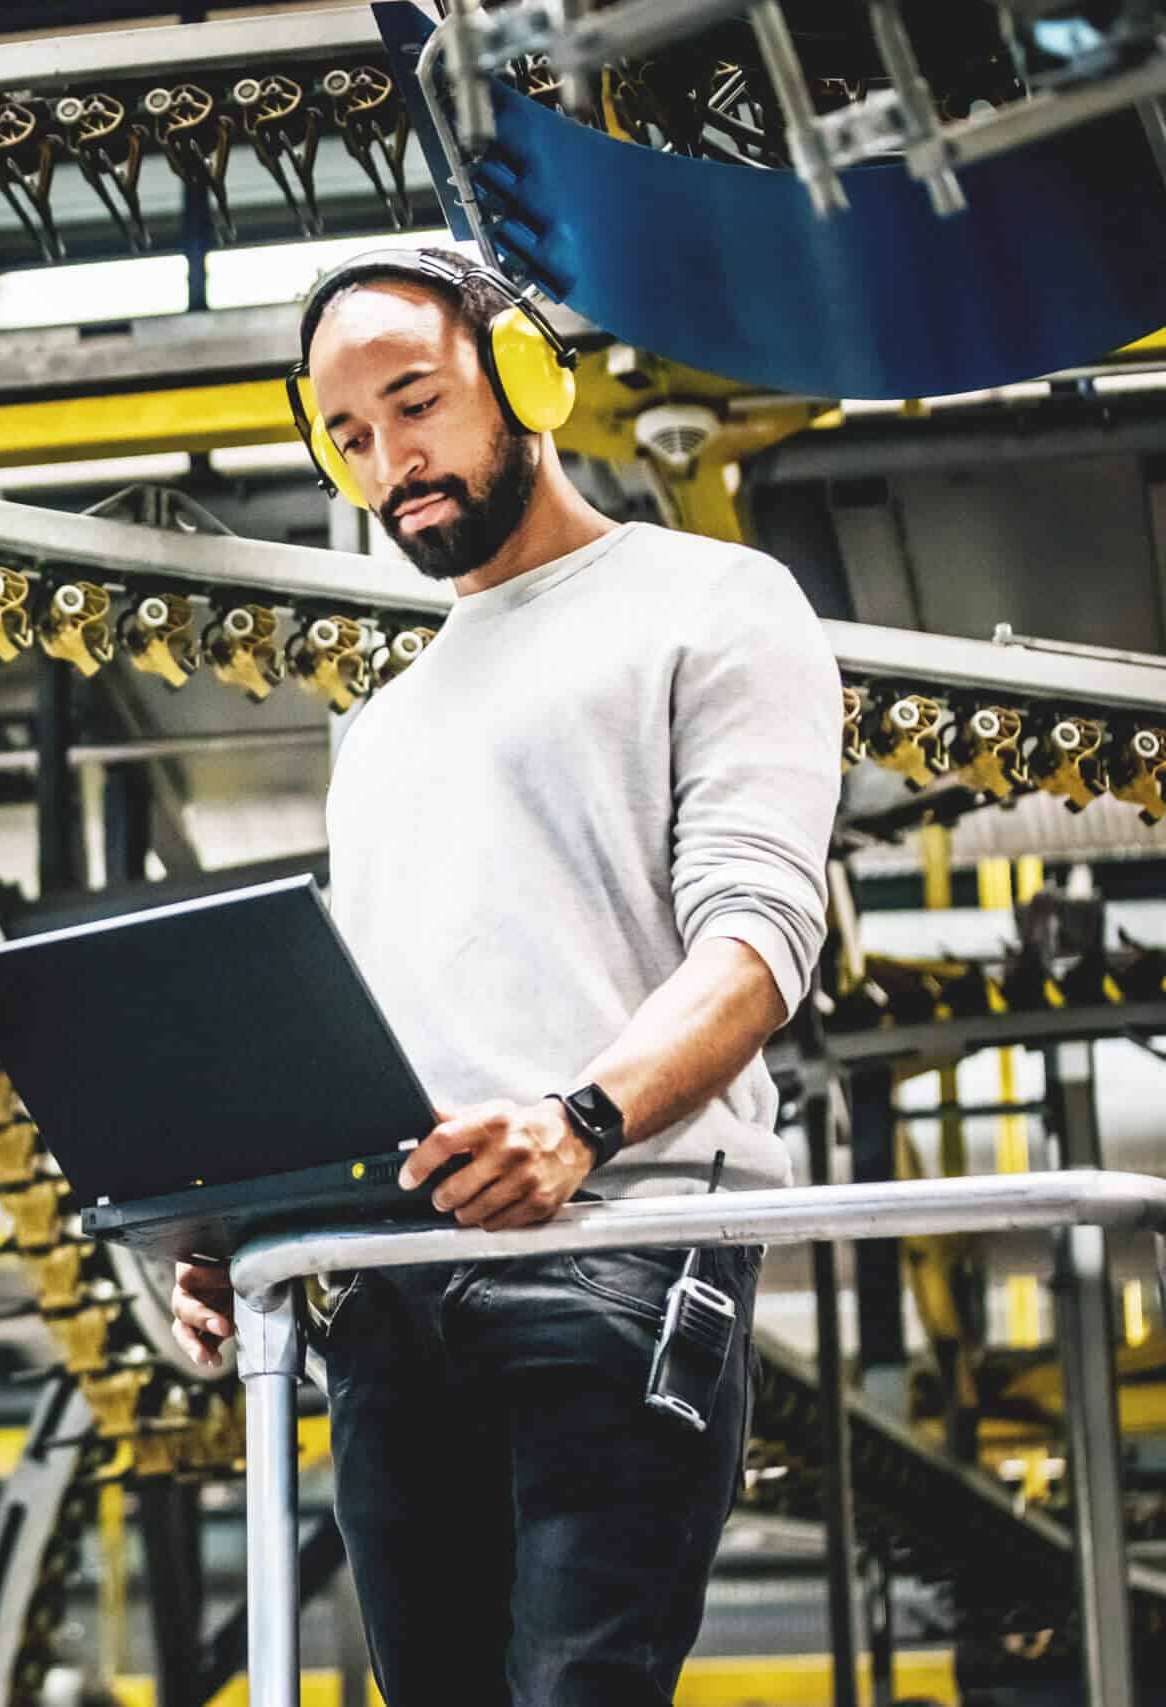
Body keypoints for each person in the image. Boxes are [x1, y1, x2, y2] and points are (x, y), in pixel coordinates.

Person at [168, 248, 841, 1705]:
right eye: (347, 437)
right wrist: (249, 1219)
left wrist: (582, 1120)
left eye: (414, 405)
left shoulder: (714, 602)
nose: (388, 462)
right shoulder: (385, 727)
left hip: (621, 1252)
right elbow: (398, 1037)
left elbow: (761, 939)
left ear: (525, 379)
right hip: (393, 1294)